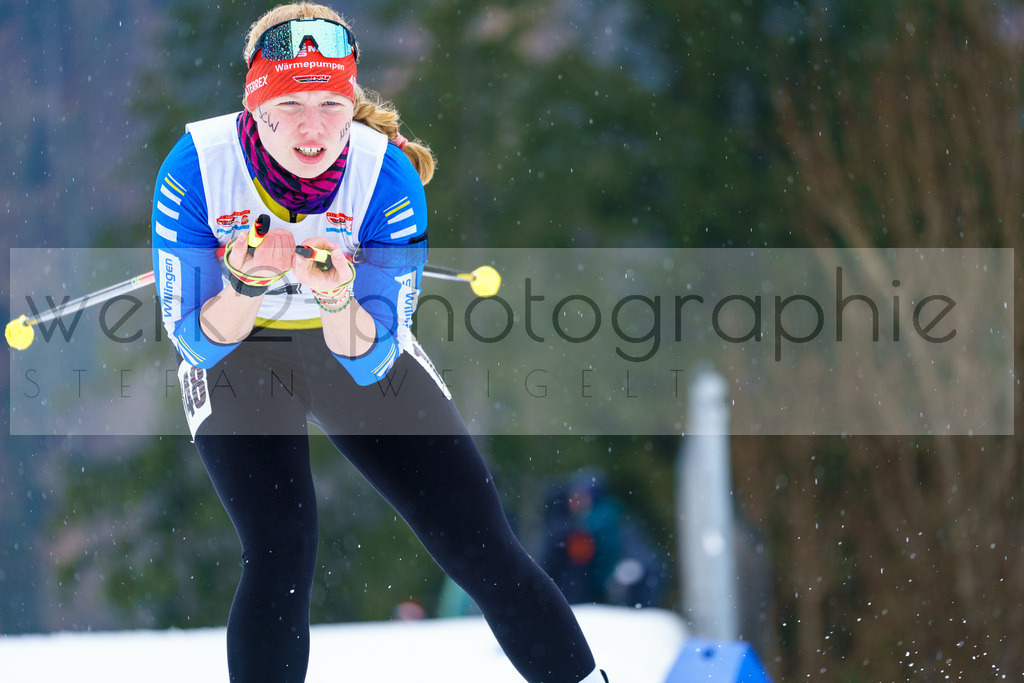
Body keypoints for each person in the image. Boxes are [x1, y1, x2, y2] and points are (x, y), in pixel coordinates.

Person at [150, 3, 608, 682]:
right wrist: (244, 285)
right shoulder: (196, 166)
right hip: (240, 354)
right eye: (292, 103)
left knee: (479, 539)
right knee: (281, 548)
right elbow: (198, 342)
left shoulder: (385, 175)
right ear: (255, 103)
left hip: (348, 343)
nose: (313, 127)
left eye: (333, 104)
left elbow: (370, 353)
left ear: (353, 100)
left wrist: (336, 294)